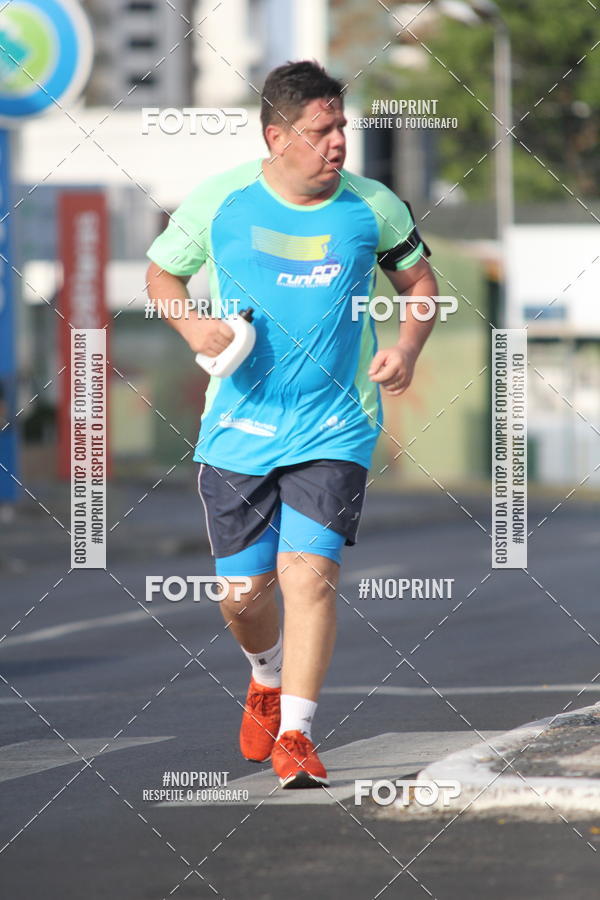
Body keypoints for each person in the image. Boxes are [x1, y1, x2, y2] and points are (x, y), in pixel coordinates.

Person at [146, 60, 438, 789]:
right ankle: (264, 675)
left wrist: (404, 346)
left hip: (336, 424)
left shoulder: (374, 206)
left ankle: (300, 733)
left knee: (309, 576)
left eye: (341, 126)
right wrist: (193, 328)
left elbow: (420, 283)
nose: (338, 142)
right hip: (238, 429)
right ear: (277, 136)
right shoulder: (222, 201)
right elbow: (161, 274)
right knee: (243, 597)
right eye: (321, 131)